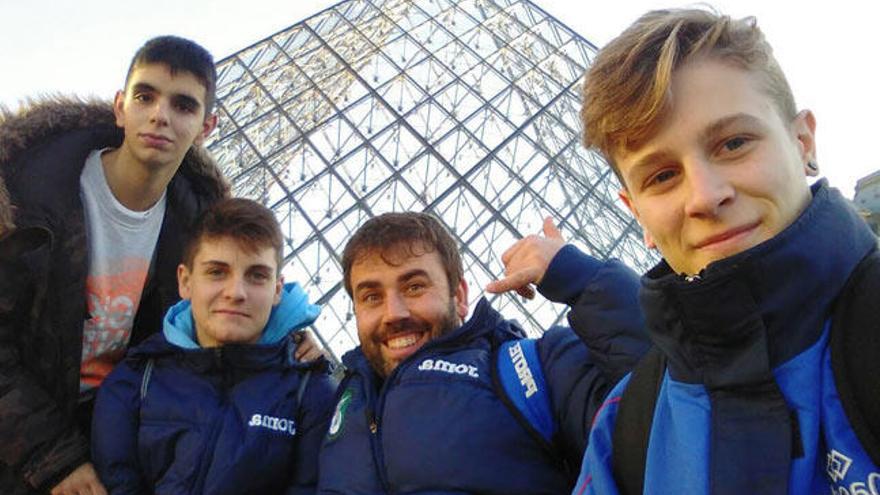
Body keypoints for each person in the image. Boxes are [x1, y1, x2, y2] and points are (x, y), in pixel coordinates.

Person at [562, 8, 880, 494]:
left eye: (734, 143)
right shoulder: (625, 429)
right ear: (636, 213)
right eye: (662, 176)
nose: (705, 196)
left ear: (803, 142)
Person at [0, 36, 228, 495]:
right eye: (145, 97)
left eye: (183, 105)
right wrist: (55, 460)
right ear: (120, 107)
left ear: (207, 128)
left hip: (109, 442)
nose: (160, 115)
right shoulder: (22, 197)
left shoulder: (200, 233)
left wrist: (287, 329)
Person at [316, 211, 648, 494]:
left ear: (459, 295)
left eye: (414, 286)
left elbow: (666, 413)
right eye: (371, 296)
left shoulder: (537, 368)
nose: (393, 313)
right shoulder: (331, 401)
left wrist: (581, 277)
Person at [91, 198, 336, 495]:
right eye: (217, 272)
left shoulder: (312, 394)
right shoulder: (134, 379)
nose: (235, 293)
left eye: (257, 276)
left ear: (277, 290)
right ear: (185, 281)